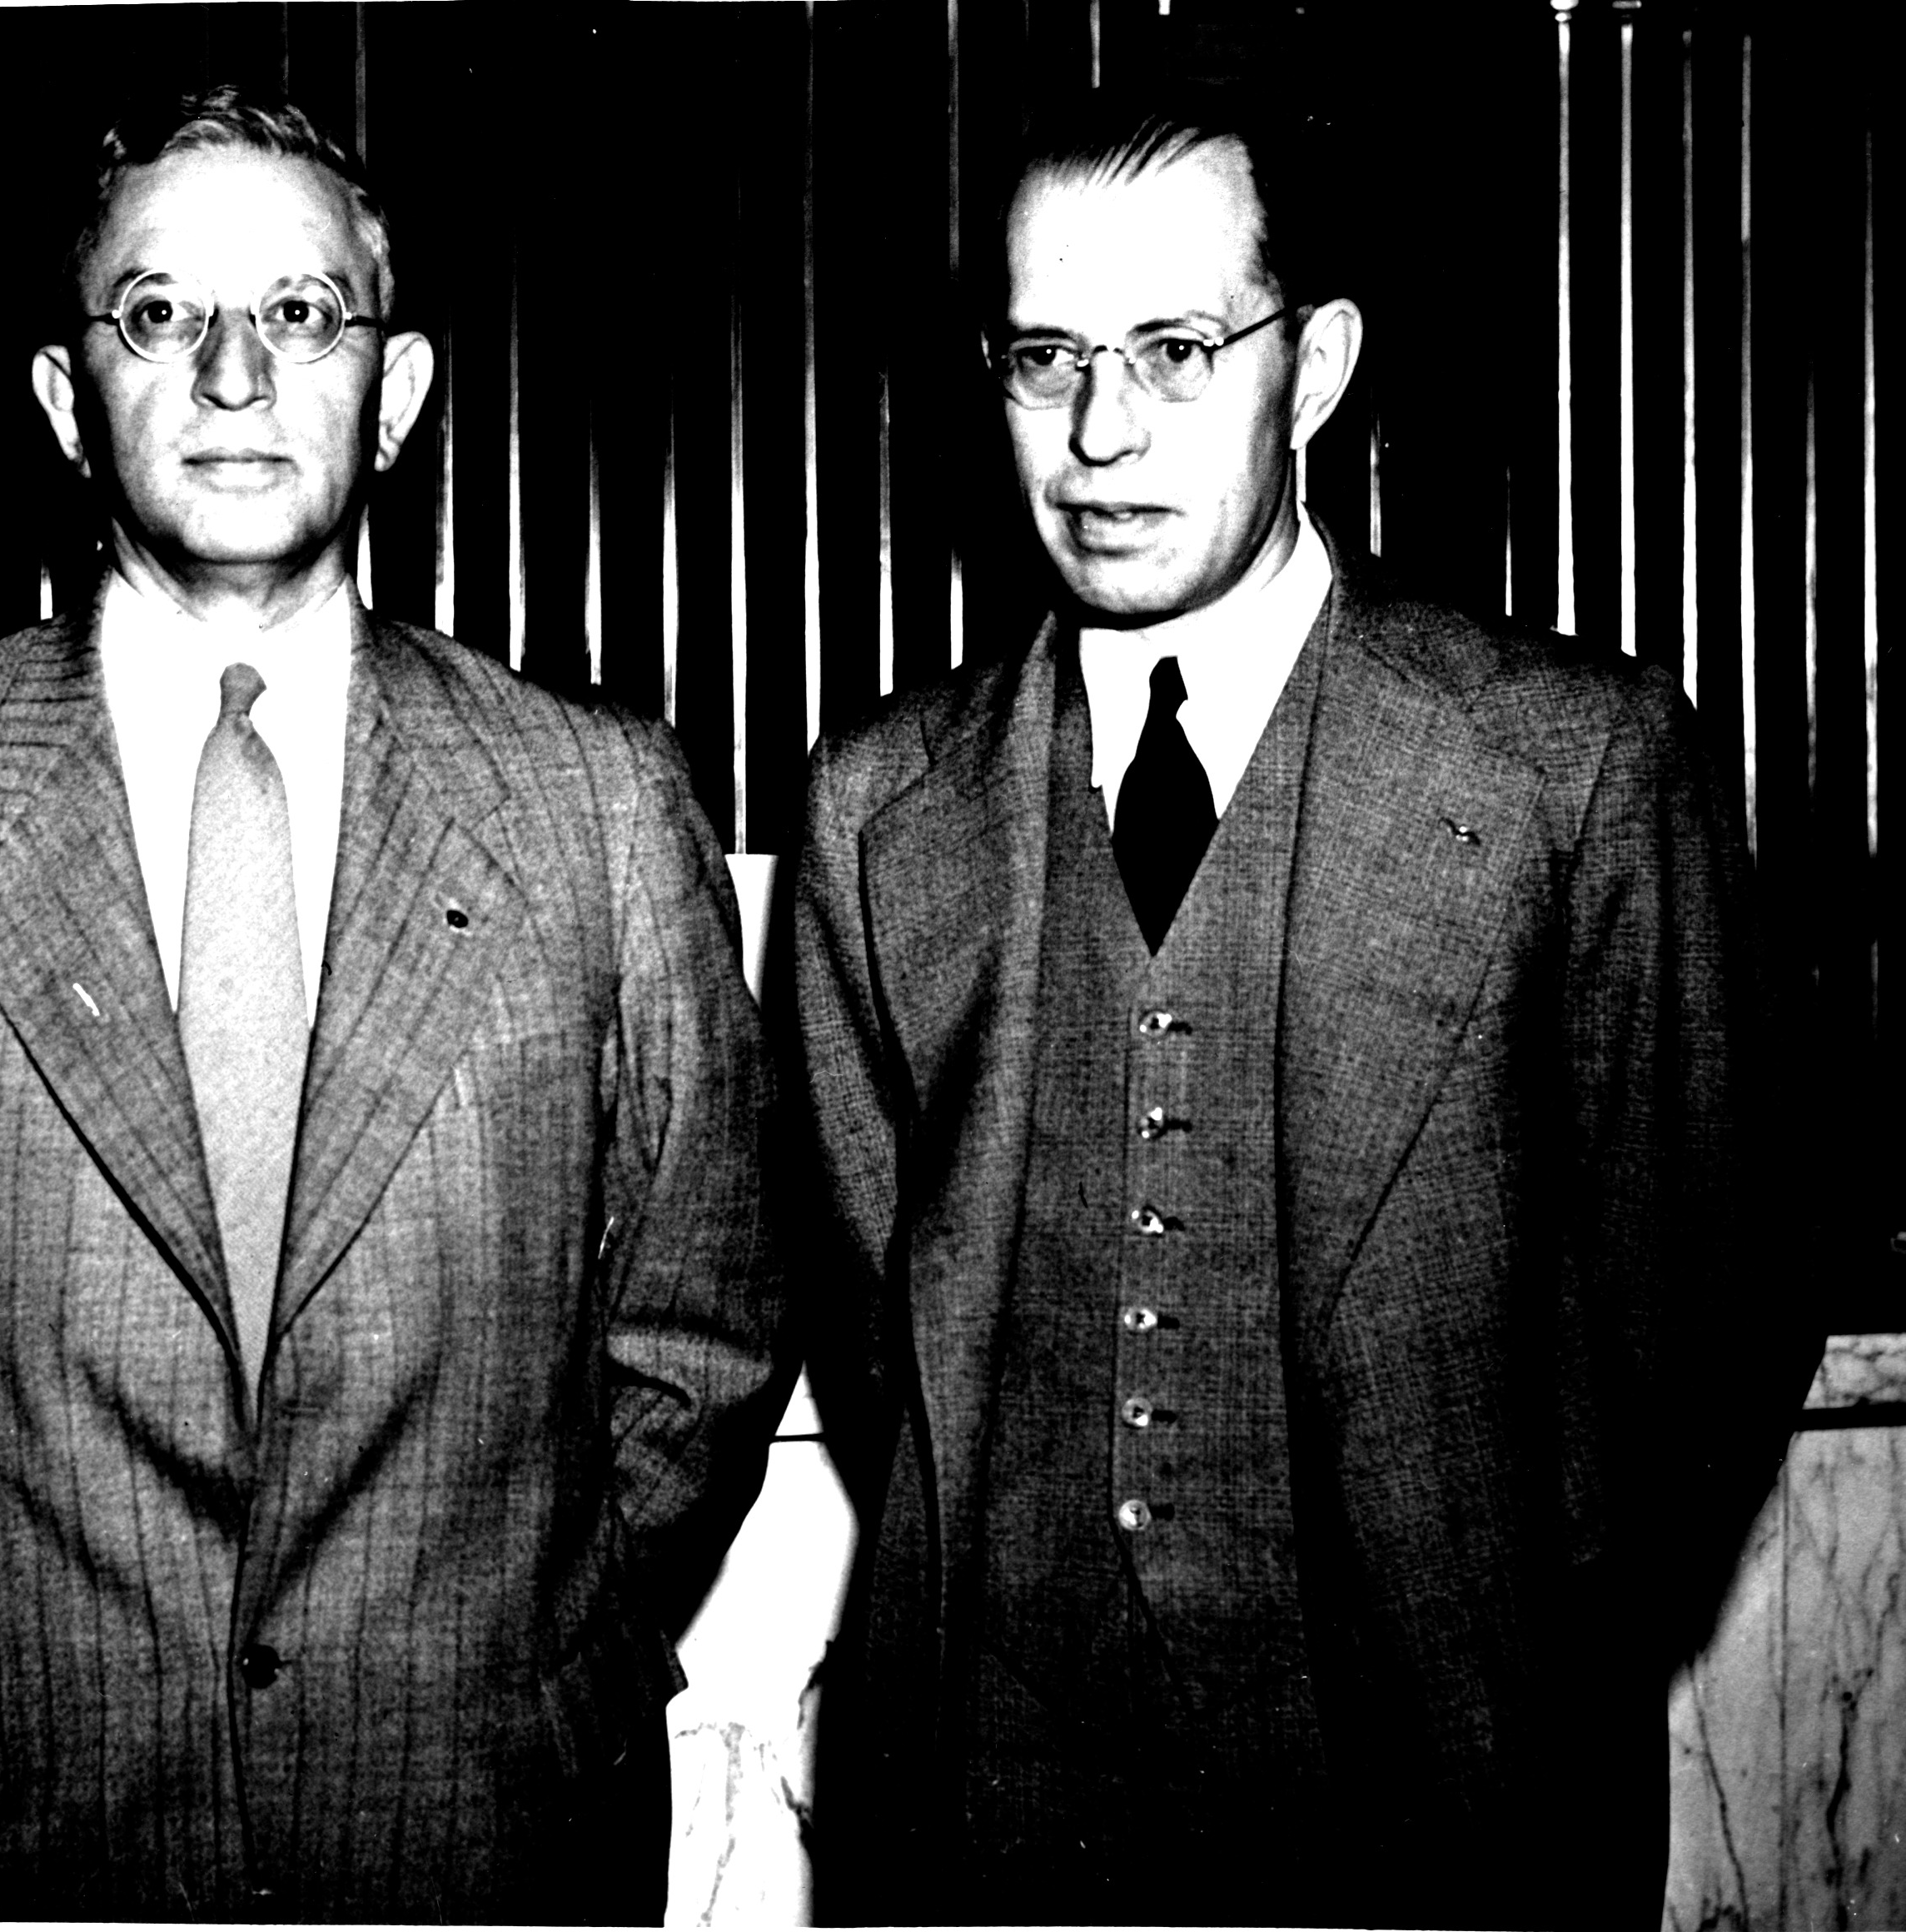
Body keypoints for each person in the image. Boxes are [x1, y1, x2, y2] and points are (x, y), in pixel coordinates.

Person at [0, 85, 784, 1923]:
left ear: (395, 394)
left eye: (302, 312)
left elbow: (698, 1333)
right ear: (63, 398)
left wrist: (504, 1668)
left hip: (471, 1839)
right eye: (161, 311)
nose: (234, 373)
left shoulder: (598, 805)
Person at [781, 81, 1814, 1928]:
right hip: (988, 1821)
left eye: (1174, 351)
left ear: (1312, 369)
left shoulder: (1566, 763)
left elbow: (1708, 1314)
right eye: (1043, 358)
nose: (1099, 431)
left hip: (1451, 1820)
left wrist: (1515, 1649)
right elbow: (879, 1341)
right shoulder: (877, 806)